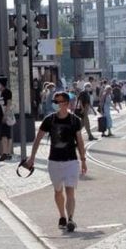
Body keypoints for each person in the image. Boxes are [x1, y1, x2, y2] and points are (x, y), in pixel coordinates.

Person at [24, 90, 87, 232]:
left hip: (71, 161)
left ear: (66, 103)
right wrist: (32, 157)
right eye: (54, 102)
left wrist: (83, 160)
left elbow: (80, 141)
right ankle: (62, 216)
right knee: (58, 191)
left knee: (70, 191)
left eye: (58, 102)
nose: (55, 104)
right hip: (54, 161)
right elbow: (38, 138)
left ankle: (70, 218)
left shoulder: (74, 120)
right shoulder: (49, 119)